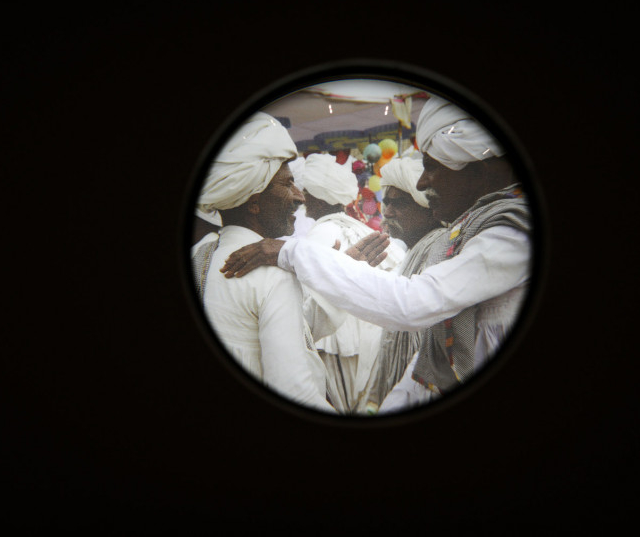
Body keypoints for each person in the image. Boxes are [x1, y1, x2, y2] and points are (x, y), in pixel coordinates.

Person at [218, 95, 532, 414]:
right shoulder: (469, 231)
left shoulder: (513, 234)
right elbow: (429, 365)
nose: (422, 182)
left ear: (479, 170)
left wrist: (292, 253)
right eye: (289, 185)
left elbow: (412, 304)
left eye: (432, 167)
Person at [191, 112, 337, 413]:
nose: (299, 197)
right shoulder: (271, 273)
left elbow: (290, 330)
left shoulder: (200, 254)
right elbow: (293, 390)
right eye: (288, 184)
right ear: (254, 203)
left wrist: (338, 280)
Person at [296, 153, 405, 413]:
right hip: (375, 345)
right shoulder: (363, 230)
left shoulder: (319, 234)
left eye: (306, 192)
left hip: (337, 344)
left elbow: (310, 303)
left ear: (316, 197)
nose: (302, 198)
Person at [356, 155, 447, 413]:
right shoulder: (416, 249)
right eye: (387, 202)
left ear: (429, 208)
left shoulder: (440, 249)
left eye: (400, 204)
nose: (387, 212)